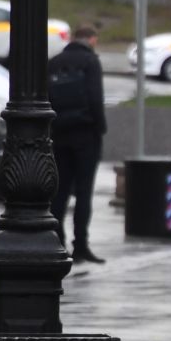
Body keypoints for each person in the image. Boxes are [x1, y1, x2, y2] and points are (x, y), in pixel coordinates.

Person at [48, 23, 108, 264]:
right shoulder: (91, 62)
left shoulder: (54, 62)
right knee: (84, 193)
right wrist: (100, 128)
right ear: (92, 40)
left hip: (59, 133)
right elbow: (96, 98)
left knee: (59, 191)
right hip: (85, 135)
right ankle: (80, 245)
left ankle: (57, 240)